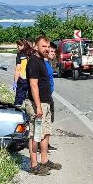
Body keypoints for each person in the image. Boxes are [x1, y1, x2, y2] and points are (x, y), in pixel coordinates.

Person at [25, 36, 61, 175]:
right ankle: (34, 165)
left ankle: (44, 161)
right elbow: (33, 85)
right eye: (43, 46)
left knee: (45, 133)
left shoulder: (41, 61)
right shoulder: (33, 62)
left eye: (47, 46)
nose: (46, 49)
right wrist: (38, 106)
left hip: (46, 102)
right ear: (36, 47)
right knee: (35, 135)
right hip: (37, 104)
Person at [14, 40, 32, 106]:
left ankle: (18, 109)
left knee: (19, 100)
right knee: (30, 99)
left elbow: (18, 69)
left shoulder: (20, 55)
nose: (17, 48)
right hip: (31, 79)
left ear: (23, 45)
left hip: (22, 80)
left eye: (18, 46)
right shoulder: (31, 53)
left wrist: (15, 82)